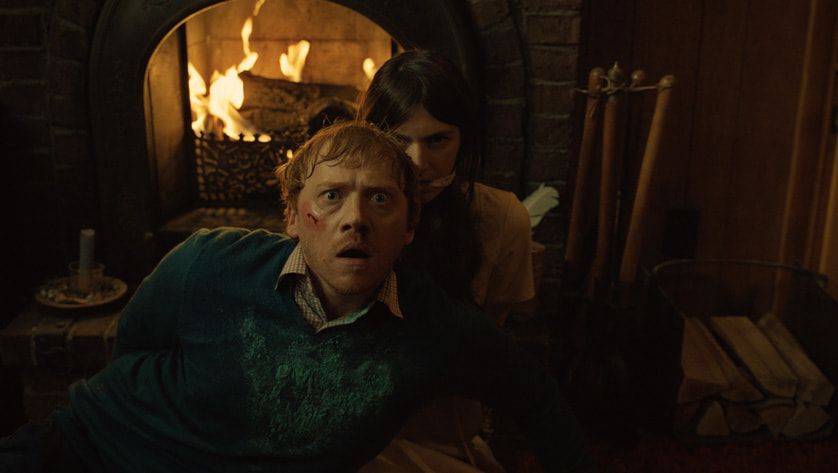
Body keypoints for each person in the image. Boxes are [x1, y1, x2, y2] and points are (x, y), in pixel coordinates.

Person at [0, 122, 590, 473]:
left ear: (409, 228)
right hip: (87, 449)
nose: (355, 219)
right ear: (291, 216)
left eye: (380, 199)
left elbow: (535, 395)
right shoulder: (209, 262)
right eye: (331, 196)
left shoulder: (434, 329)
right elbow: (136, 341)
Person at [357, 49, 537, 472]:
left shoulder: (502, 219)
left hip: (444, 435)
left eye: (437, 140)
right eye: (400, 140)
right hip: (355, 432)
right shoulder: (346, 219)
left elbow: (487, 348)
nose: (419, 163)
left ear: (463, 140)